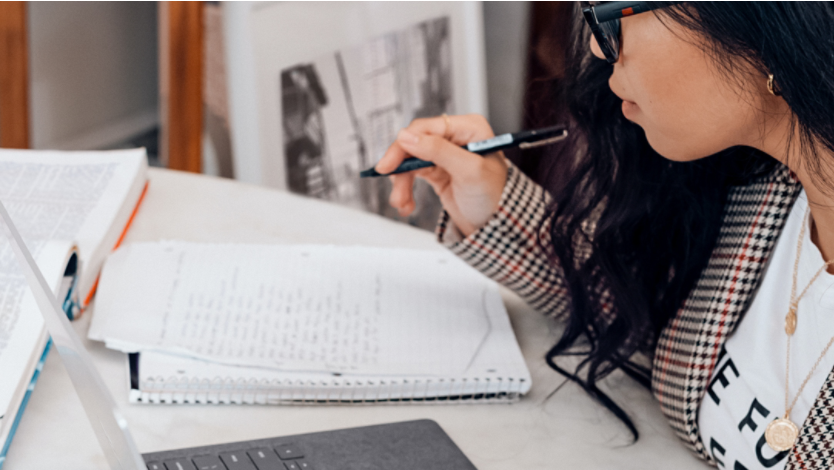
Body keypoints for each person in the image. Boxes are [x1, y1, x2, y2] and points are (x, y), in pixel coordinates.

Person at [375, 3, 834, 469]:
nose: (597, 44)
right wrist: (495, 203)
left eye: (616, 7)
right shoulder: (771, 186)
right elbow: (651, 310)